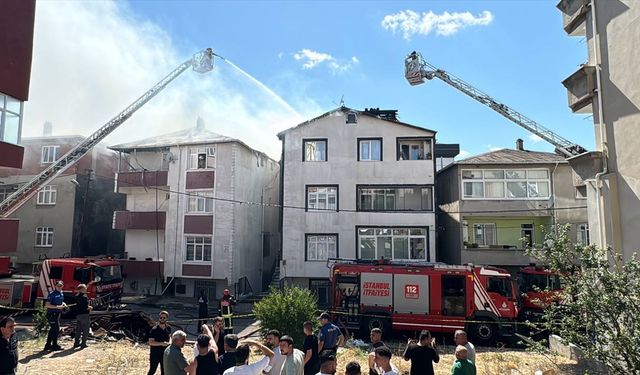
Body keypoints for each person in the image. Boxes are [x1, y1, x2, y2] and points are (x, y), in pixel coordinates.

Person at [44, 280, 68, 351]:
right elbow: (47, 305)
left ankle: (49, 345)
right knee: (55, 329)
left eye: (61, 286)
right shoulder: (52, 294)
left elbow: (61, 301)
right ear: (55, 286)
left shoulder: (61, 293)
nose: (59, 287)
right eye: (58, 286)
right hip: (52, 314)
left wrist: (64, 304)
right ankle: (53, 345)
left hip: (57, 313)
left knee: (53, 329)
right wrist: (58, 306)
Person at [148, 311, 172, 375]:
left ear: (167, 318)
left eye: (164, 317)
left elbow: (169, 337)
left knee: (164, 371)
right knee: (152, 370)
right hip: (155, 354)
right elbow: (151, 342)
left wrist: (169, 343)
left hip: (164, 354)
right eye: (161, 317)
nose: (162, 319)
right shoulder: (154, 329)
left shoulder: (168, 328)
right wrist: (161, 343)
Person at [73, 284, 92, 349]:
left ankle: (76, 343)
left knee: (78, 330)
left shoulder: (76, 296)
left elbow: (77, 306)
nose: (86, 289)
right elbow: (85, 307)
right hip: (84, 315)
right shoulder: (84, 297)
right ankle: (83, 343)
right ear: (81, 290)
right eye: (84, 288)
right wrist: (89, 307)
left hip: (78, 315)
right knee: (85, 330)